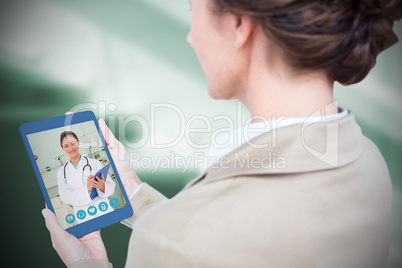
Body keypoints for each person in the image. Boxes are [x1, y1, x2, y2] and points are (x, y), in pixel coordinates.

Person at [42, 0, 401, 267]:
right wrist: (132, 193)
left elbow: (196, 244)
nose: (190, 37)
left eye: (191, 9)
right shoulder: (368, 162)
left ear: (238, 24)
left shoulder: (173, 242)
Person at [57, 131, 115, 224]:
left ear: (78, 142)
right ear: (62, 148)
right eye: (66, 146)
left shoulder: (95, 163)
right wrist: (87, 188)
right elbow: (64, 196)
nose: (71, 148)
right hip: (83, 215)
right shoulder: (61, 172)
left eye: (73, 143)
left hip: (103, 209)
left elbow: (111, 187)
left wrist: (101, 186)